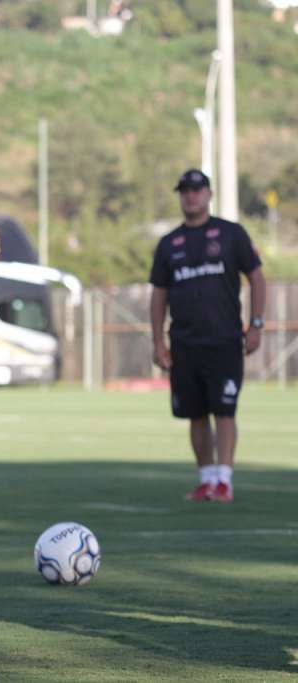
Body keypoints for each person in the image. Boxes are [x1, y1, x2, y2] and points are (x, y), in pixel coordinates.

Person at [149, 168, 266, 503]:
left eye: (196, 190)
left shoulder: (231, 234)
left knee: (224, 410)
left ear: (209, 194)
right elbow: (159, 294)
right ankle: (206, 479)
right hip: (184, 343)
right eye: (185, 191)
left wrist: (256, 324)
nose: (190, 196)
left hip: (224, 340)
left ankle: (224, 481)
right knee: (195, 413)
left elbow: (257, 277)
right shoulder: (169, 244)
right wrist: (158, 341)